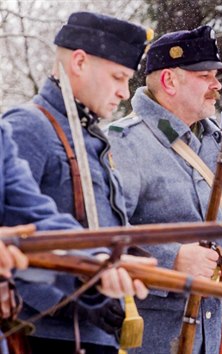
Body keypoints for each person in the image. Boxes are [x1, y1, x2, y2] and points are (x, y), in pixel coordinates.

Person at [107, 26, 222, 354]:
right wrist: (171, 258)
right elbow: (102, 234)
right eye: (205, 75)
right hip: (151, 336)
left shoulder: (218, 142)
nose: (217, 85)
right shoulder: (123, 142)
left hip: (212, 330)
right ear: (169, 81)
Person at [2, 12, 152, 352]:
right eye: (117, 77)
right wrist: (72, 300)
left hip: (92, 336)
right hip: (43, 334)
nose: (123, 92)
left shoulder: (88, 136)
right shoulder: (31, 125)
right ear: (80, 62)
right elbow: (18, 233)